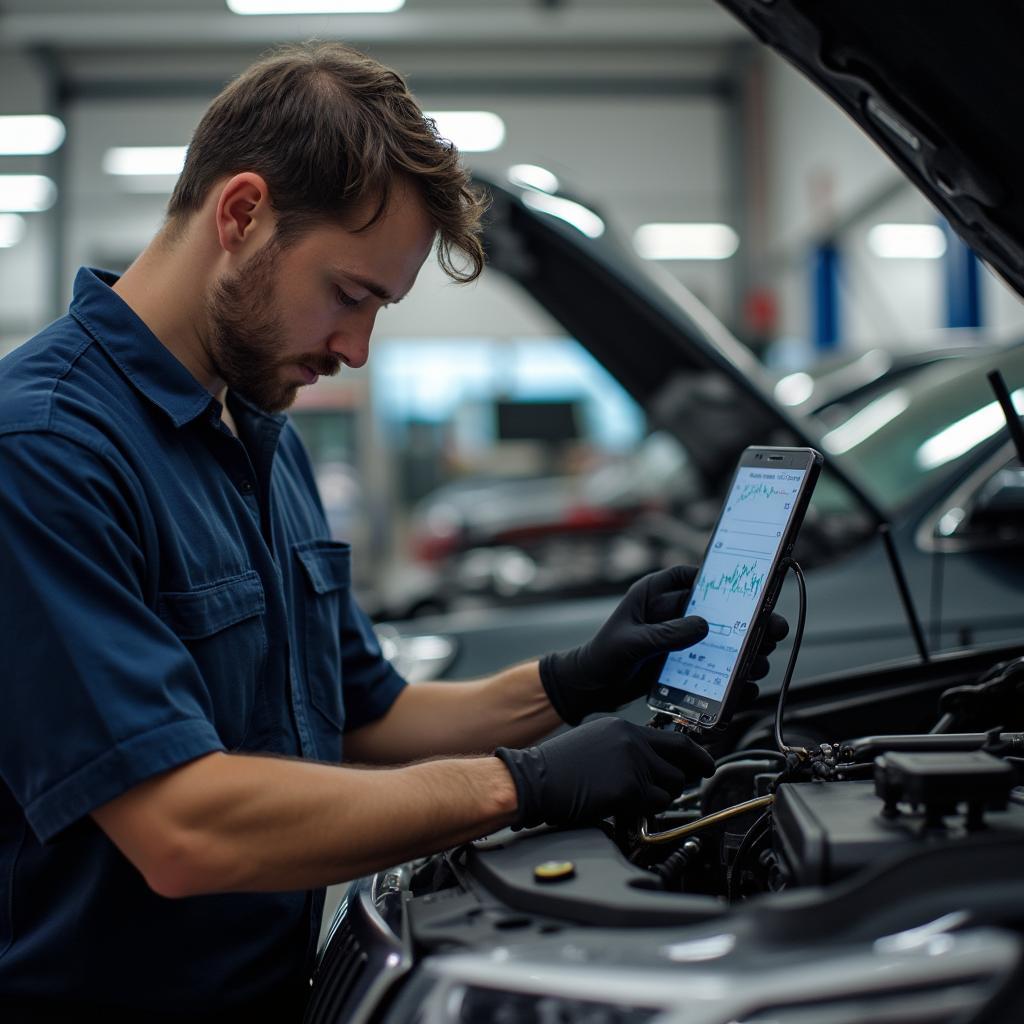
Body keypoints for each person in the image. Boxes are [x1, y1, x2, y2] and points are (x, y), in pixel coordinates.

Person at [0, 42, 785, 1021]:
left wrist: (573, 681)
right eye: (350, 294)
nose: (355, 349)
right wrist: (525, 784)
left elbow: (368, 716)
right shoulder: (42, 449)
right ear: (240, 215)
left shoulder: (258, 435)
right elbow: (182, 828)